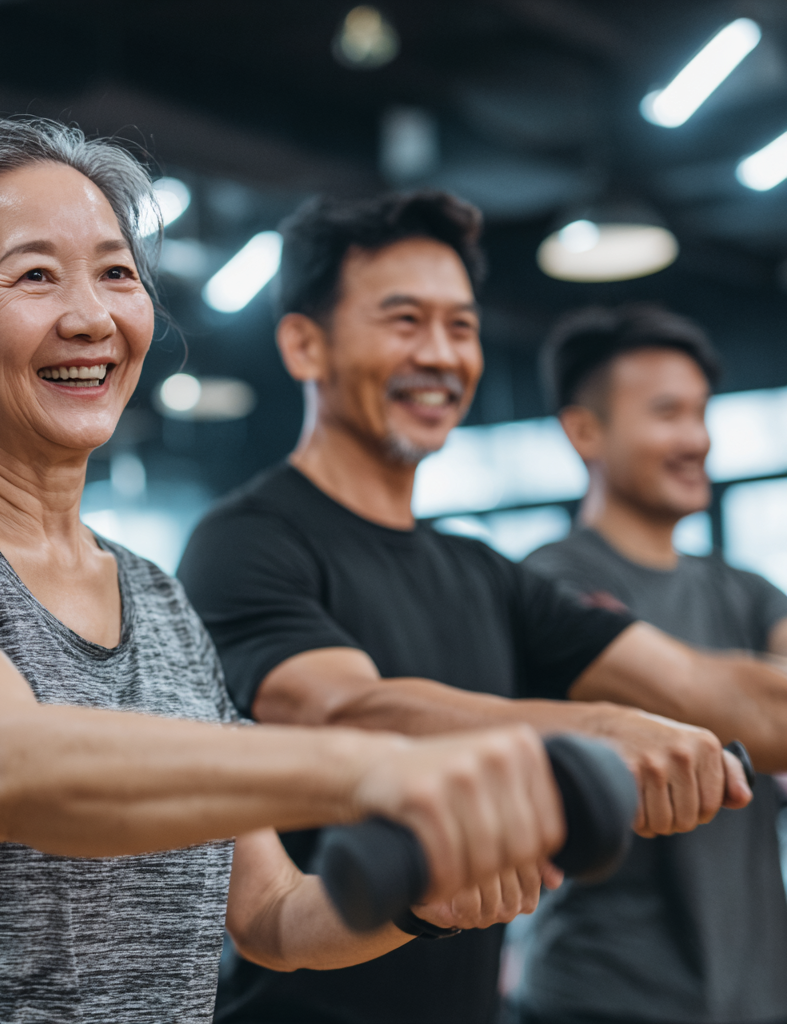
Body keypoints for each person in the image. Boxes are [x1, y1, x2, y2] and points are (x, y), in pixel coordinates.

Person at [0, 120, 575, 1024]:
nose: (92, 317)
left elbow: (271, 915)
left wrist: (419, 898)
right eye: (36, 276)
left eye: (117, 273)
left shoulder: (157, 600)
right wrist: (370, 767)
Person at [177, 192, 782, 1024]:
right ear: (305, 343)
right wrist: (597, 730)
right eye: (405, 321)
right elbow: (340, 708)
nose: (440, 354)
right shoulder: (246, 541)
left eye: (460, 326)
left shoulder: (484, 572)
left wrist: (669, 728)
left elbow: (707, 690)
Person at [513, 304, 787, 1024]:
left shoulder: (746, 591)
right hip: (603, 997)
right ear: (585, 431)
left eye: (701, 413)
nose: (696, 439)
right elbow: (768, 711)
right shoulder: (548, 587)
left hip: (755, 995)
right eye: (667, 413)